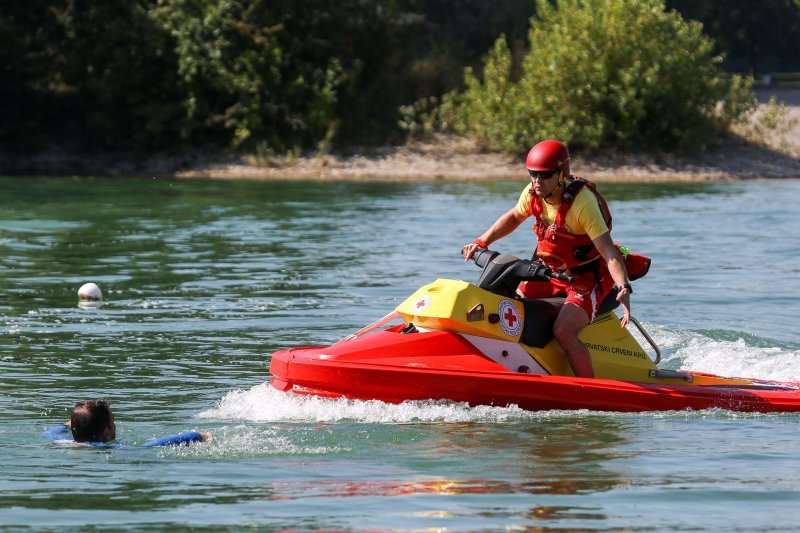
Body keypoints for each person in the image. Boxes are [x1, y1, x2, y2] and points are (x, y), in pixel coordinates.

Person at [462, 139, 641, 378]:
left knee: (563, 330)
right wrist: (481, 241)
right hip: (552, 273)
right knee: (511, 306)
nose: (536, 181)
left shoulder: (582, 204)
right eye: (532, 174)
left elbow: (609, 253)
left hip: (589, 277)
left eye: (544, 175)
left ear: (560, 174)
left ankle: (587, 391)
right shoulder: (533, 192)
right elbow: (514, 217)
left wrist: (624, 287)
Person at [43, 399, 212, 447]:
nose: (116, 424)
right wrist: (198, 435)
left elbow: (51, 432)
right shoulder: (105, 448)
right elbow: (150, 446)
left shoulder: (61, 442)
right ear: (107, 432)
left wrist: (66, 426)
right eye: (113, 421)